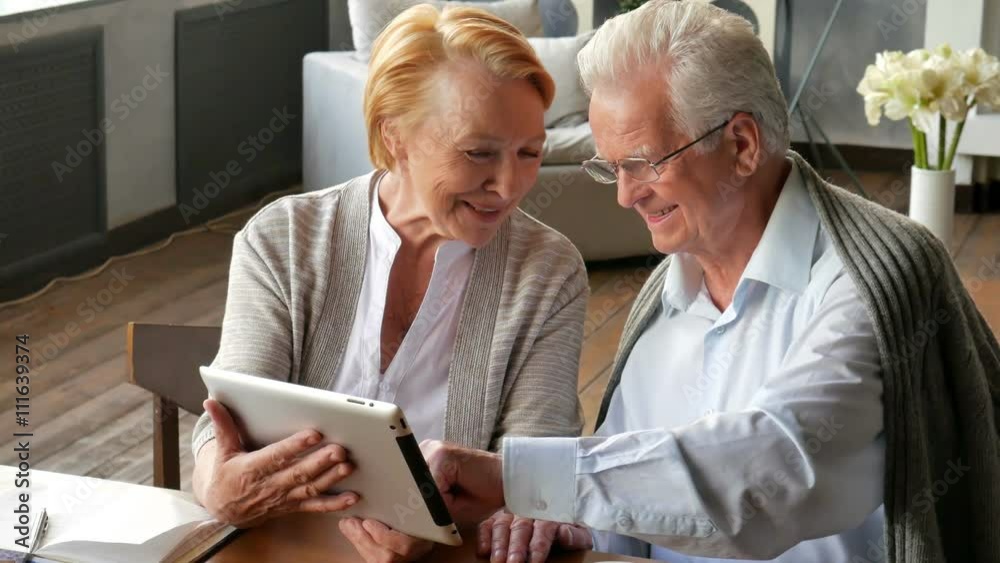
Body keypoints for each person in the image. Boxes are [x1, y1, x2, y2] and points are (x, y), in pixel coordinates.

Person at [424, 2, 1000, 563]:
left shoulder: (876, 277)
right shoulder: (664, 299)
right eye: (613, 168)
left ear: (741, 145)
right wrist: (558, 521)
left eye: (642, 163)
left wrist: (521, 476)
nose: (625, 195)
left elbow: (774, 473)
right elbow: (627, 512)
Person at [189, 5, 591, 562]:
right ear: (395, 136)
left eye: (530, 153)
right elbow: (226, 430)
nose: (508, 186)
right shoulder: (284, 239)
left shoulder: (548, 271)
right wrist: (216, 483)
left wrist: (438, 526)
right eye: (478, 152)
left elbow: (532, 475)